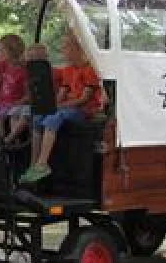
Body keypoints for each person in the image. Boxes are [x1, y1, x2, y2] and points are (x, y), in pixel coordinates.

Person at [19, 33, 104, 183]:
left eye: (65, 47)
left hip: (85, 111)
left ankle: (42, 163)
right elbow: (62, 93)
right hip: (68, 108)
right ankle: (33, 164)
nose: (62, 50)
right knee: (38, 116)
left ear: (77, 49)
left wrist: (58, 107)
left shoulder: (90, 70)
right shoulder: (68, 70)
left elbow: (83, 100)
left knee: (54, 117)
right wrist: (52, 106)